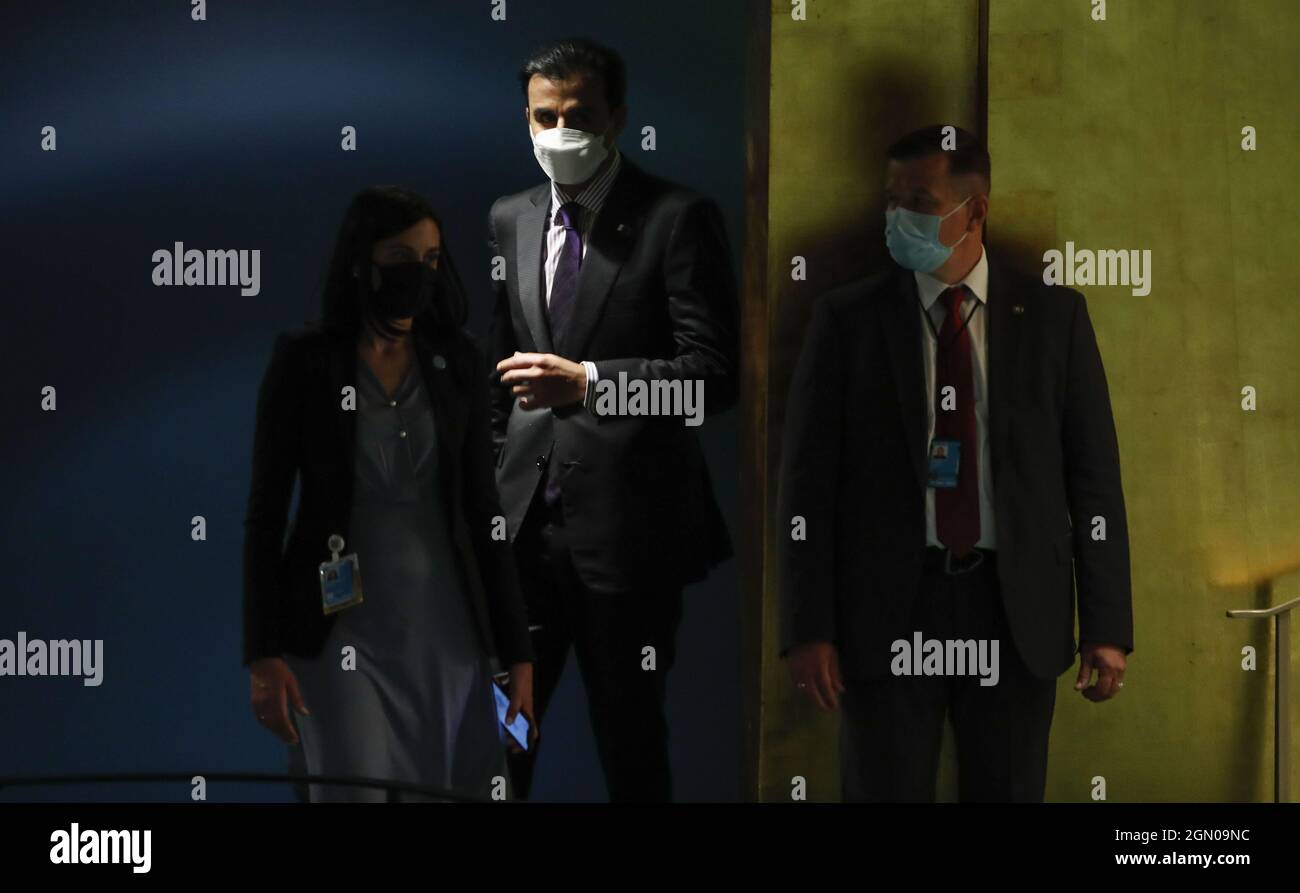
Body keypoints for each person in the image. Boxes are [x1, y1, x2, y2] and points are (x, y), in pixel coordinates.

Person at [779, 125, 1133, 802]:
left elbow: (1094, 483)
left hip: (1014, 607)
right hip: (887, 607)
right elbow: (806, 487)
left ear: (975, 209)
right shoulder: (847, 321)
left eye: (919, 199)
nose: (897, 216)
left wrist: (1108, 626)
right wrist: (807, 625)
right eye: (892, 199)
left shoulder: (1055, 318)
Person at [488, 38, 738, 801]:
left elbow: (709, 382)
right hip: (524, 544)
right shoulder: (511, 218)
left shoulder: (677, 218)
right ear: (525, 119)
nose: (560, 131)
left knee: (629, 742)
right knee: (506, 739)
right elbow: (500, 379)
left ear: (618, 118)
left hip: (630, 544)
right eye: (545, 115)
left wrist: (593, 384)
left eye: (580, 115)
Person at [242, 186, 536, 802]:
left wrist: (519, 656)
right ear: (362, 261)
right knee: (354, 787)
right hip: (340, 629)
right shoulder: (305, 362)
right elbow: (265, 516)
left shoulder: (458, 360)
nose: (419, 273)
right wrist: (262, 653)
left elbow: (486, 515)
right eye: (402, 257)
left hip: (448, 630)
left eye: (431, 259)